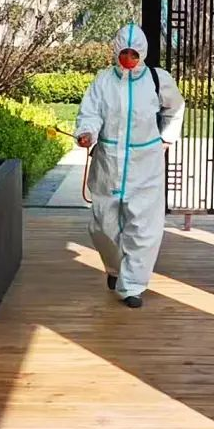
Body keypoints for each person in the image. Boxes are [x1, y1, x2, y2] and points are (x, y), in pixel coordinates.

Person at [74, 23, 185, 308]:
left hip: (145, 164)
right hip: (108, 163)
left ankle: (132, 285)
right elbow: (90, 112)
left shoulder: (157, 79)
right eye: (124, 52)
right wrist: (87, 132)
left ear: (142, 53)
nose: (129, 58)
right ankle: (115, 268)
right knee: (102, 226)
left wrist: (166, 138)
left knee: (144, 228)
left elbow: (175, 108)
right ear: (116, 52)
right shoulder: (103, 81)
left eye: (134, 53)